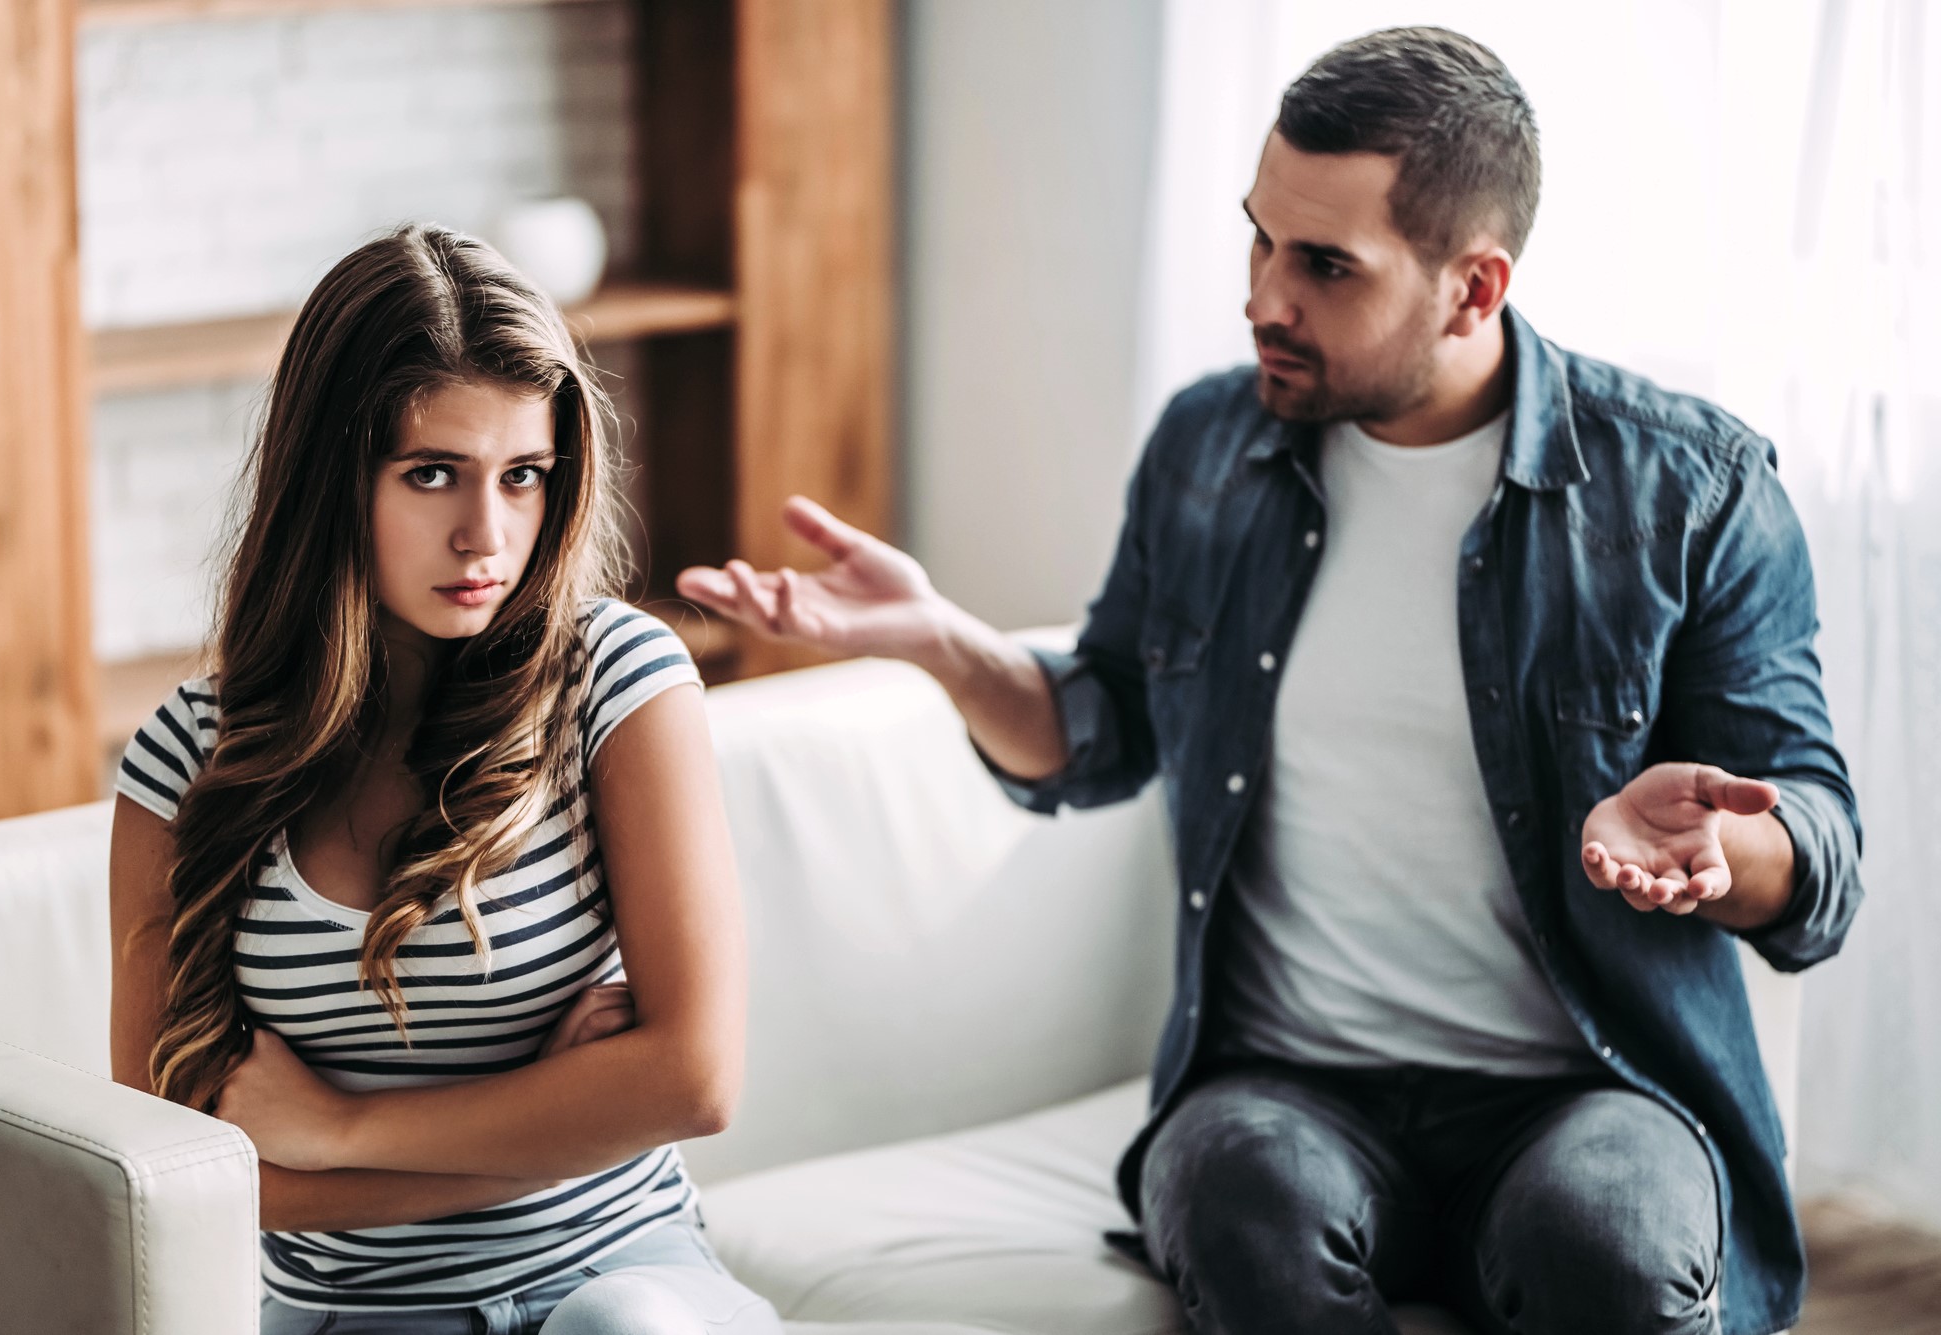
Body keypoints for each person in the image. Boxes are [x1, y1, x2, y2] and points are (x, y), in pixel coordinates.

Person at [676, 27, 1862, 1335]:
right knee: (1244, 1203)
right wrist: (944, 643)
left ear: (1473, 288)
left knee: (1604, 1245)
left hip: (1594, 1081)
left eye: (1324, 266)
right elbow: (1101, 731)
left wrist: (1720, 850)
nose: (1262, 297)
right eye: (1258, 238)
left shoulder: (1687, 488)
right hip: (1289, 1084)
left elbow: (1815, 846)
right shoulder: (1209, 443)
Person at [109, 224, 780, 1335]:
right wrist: (560, 1118)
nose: (487, 535)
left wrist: (338, 1130)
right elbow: (168, 1179)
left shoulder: (614, 680)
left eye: (522, 476)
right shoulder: (185, 768)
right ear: (332, 478)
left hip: (621, 1275)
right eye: (432, 474)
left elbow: (695, 1084)